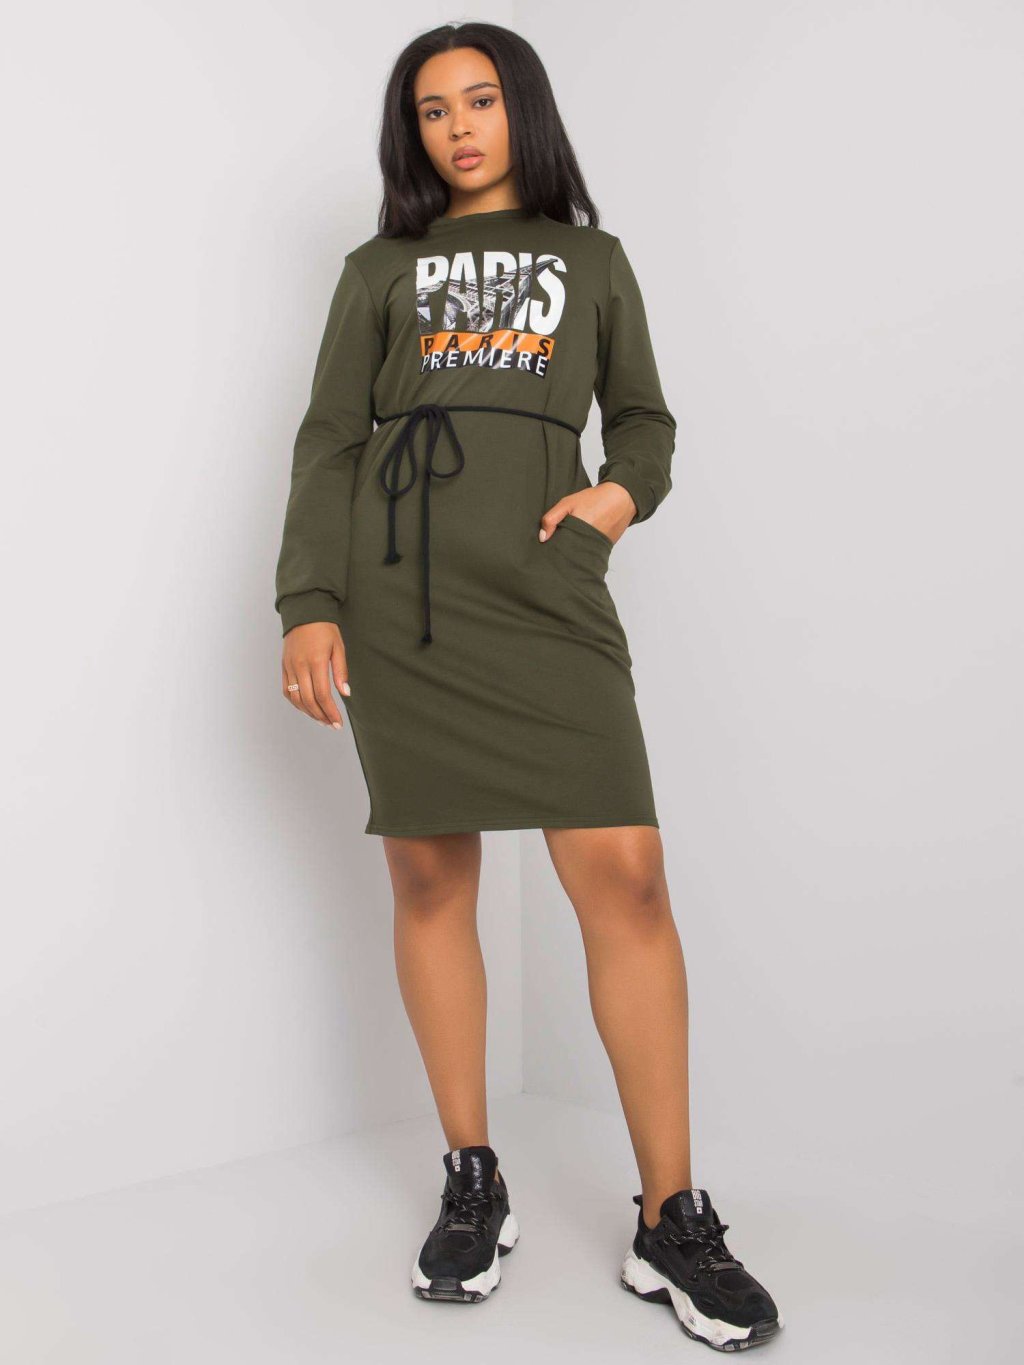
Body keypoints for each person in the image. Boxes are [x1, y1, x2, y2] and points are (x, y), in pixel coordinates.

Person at [273, 20, 782, 1352]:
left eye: (481, 99)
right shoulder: (378, 271)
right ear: (413, 133)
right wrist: (309, 600)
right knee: (430, 877)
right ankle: (473, 1178)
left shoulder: (592, 262)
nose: (458, 126)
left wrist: (619, 496)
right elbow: (329, 439)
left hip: (548, 594)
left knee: (627, 877)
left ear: (524, 111)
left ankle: (671, 1216)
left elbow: (646, 419)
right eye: (432, 108)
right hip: (405, 599)